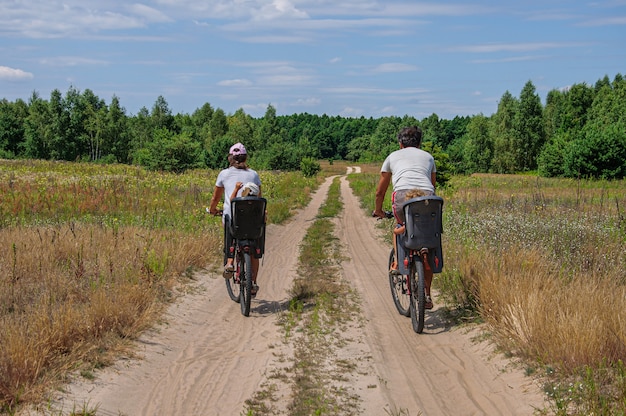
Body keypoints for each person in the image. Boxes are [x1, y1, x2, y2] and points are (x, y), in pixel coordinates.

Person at [373, 126, 436, 309]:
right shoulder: (428, 157)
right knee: (427, 249)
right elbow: (432, 186)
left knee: (399, 227)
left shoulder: (393, 157)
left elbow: (380, 191)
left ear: (400, 143)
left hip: (402, 198)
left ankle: (396, 263)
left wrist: (378, 210)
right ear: (419, 143)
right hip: (428, 199)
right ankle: (427, 294)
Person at [209, 143, 263, 296]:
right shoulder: (254, 174)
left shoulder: (224, 174)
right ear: (245, 158)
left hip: (233, 219)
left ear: (230, 158)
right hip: (253, 220)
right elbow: (259, 197)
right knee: (253, 251)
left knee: (230, 236)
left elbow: (215, 197)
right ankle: (252, 283)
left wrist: (213, 210)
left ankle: (229, 262)